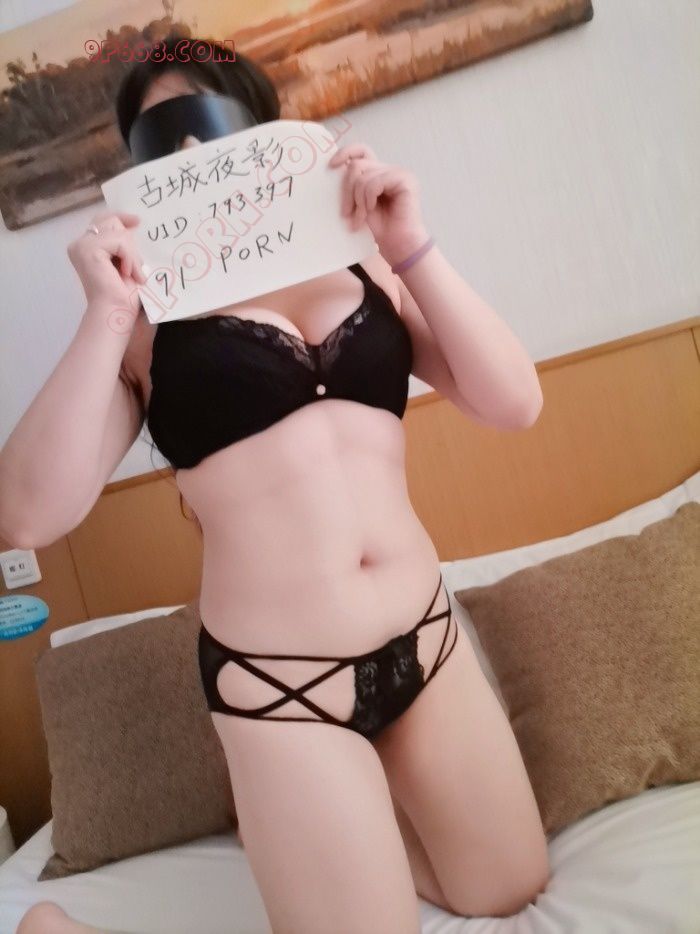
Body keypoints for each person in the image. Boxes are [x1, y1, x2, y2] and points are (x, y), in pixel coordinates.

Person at [5, 37, 550, 934]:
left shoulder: (362, 260)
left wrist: (408, 242)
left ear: (258, 126)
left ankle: (336, 842)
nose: (190, 153)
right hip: (282, 687)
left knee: (508, 889)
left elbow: (514, 402)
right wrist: (106, 311)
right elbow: (27, 513)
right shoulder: (144, 319)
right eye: (160, 139)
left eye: (205, 121)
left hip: (426, 639)